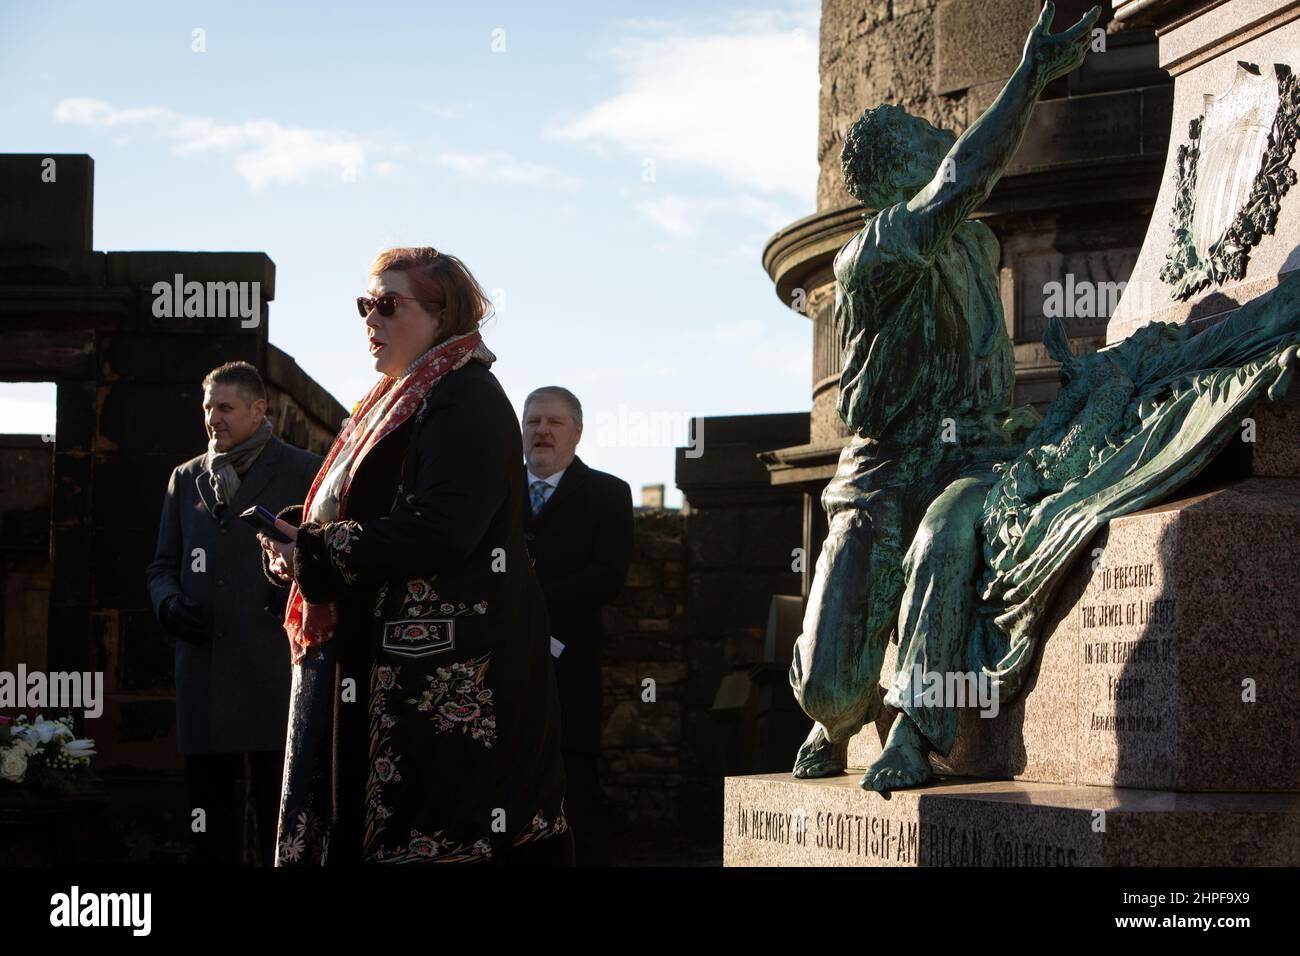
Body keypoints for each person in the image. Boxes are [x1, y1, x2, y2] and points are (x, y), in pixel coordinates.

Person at [789, 2, 1100, 791]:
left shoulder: (980, 242)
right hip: (883, 467)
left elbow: (965, 189)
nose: (946, 145)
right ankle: (835, 716)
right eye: (930, 143)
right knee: (828, 689)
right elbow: (967, 174)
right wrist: (1029, 74)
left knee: (945, 535)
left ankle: (917, 733)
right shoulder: (876, 253)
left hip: (974, 457)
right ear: (902, 174)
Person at [260, 246, 571, 865]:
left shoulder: (465, 397)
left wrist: (322, 550)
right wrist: (303, 537)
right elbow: (375, 506)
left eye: (387, 304)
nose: (369, 318)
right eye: (363, 305)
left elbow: (443, 527)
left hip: (449, 673)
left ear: (440, 313)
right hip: (384, 664)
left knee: (446, 843)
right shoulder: (393, 400)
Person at [146, 361, 322, 865]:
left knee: (278, 817)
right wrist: (169, 603)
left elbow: (329, 561)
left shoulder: (305, 471)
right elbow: (162, 565)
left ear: (258, 409)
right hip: (202, 669)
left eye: (225, 407)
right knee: (209, 822)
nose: (213, 419)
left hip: (273, 668)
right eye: (208, 408)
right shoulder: (185, 479)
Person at [521, 386, 632, 866]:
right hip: (496, 667)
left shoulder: (609, 494)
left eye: (554, 422)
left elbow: (607, 575)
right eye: (533, 422)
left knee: (575, 786)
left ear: (577, 432)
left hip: (571, 669)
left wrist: (526, 610)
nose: (542, 431)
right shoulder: (493, 491)